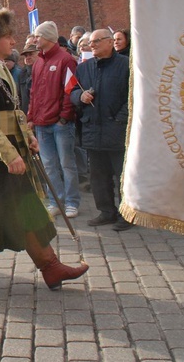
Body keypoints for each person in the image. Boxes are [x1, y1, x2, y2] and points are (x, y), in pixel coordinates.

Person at [0, 8, 88, 296]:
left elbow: (10, 112)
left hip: (3, 152)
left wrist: (27, 137)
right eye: (8, 36)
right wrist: (10, 155)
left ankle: (50, 266)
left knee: (26, 210)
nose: (14, 41)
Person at [70, 29, 132, 231]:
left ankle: (127, 214)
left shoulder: (125, 65)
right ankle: (106, 211)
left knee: (122, 175)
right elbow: (72, 91)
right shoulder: (84, 68)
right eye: (90, 42)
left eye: (96, 41)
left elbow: (133, 96)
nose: (92, 45)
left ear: (109, 42)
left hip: (117, 131)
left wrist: (119, 119)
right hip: (92, 129)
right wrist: (80, 96)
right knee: (98, 176)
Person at [28, 21, 81, 218]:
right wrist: (31, 117)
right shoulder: (38, 62)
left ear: (49, 37)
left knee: (67, 164)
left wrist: (64, 117)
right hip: (42, 124)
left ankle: (72, 202)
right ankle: (55, 201)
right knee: (49, 164)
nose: (34, 40)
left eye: (37, 36)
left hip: (60, 123)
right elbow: (33, 92)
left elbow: (69, 90)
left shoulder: (65, 60)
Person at [18, 41, 38, 115]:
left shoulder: (44, 71)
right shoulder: (22, 74)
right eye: (26, 56)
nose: (28, 58)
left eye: (30, 54)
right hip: (26, 115)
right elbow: (19, 96)